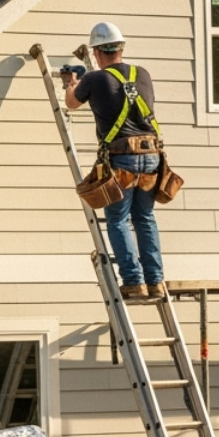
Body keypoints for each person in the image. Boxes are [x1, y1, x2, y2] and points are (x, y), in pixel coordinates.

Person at [63, 22, 165, 303]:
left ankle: (133, 282)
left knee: (118, 219)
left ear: (97, 53)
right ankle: (155, 282)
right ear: (121, 48)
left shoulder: (94, 80)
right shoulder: (142, 73)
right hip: (152, 157)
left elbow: (72, 103)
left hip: (122, 158)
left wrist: (72, 84)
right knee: (144, 218)